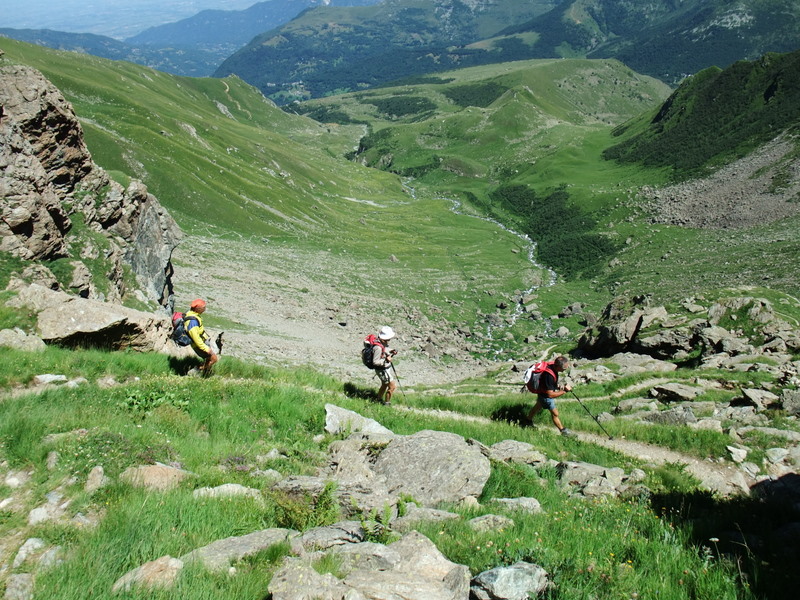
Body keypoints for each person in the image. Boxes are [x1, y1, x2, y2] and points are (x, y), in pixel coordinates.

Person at [525, 355, 574, 436]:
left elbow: (549, 385)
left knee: (537, 406)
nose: (564, 370)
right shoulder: (549, 376)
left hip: (541, 393)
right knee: (555, 414)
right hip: (545, 396)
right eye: (564, 368)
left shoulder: (552, 367)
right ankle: (563, 431)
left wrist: (557, 386)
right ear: (558, 366)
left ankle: (528, 420)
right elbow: (550, 394)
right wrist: (564, 391)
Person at [185, 298, 219, 375]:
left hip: (202, 342)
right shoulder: (192, 321)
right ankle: (194, 372)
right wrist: (206, 348)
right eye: (203, 307)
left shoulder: (193, 315)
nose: (205, 309)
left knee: (209, 359)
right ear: (198, 309)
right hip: (199, 345)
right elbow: (196, 338)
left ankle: (206, 373)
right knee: (213, 359)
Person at [371, 326, 398, 405]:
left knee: (385, 384)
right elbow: (375, 362)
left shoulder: (382, 342)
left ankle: (378, 399)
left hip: (384, 368)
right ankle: (387, 403)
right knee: (392, 386)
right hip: (382, 370)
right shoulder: (378, 348)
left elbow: (385, 350)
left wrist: (391, 351)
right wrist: (386, 360)